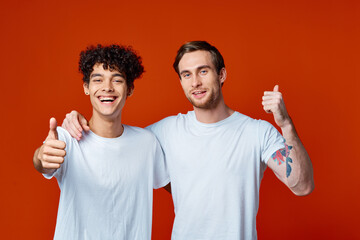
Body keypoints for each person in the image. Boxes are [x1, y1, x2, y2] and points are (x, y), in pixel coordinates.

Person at [62, 41, 314, 240]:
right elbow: (116, 141)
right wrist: (77, 120)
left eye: (203, 71)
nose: (195, 82)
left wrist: (285, 124)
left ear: (222, 74)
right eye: (186, 74)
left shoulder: (257, 132)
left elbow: (301, 186)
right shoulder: (164, 132)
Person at [33, 44, 169, 239]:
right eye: (98, 80)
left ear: (129, 89)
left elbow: (179, 186)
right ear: (86, 87)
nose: (107, 87)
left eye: (117, 80)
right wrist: (42, 156)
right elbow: (41, 161)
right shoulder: (68, 138)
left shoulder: (147, 143)